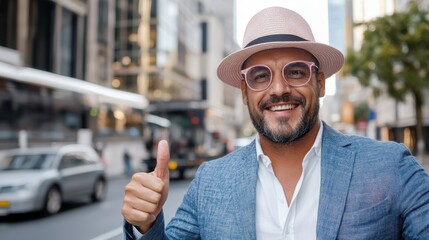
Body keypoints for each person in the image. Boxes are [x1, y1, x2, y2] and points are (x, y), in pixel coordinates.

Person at [121, 7, 429, 239]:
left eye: (296, 72)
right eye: (260, 76)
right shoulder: (209, 183)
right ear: (244, 92)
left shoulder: (390, 166)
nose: (278, 88)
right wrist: (146, 223)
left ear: (320, 83)